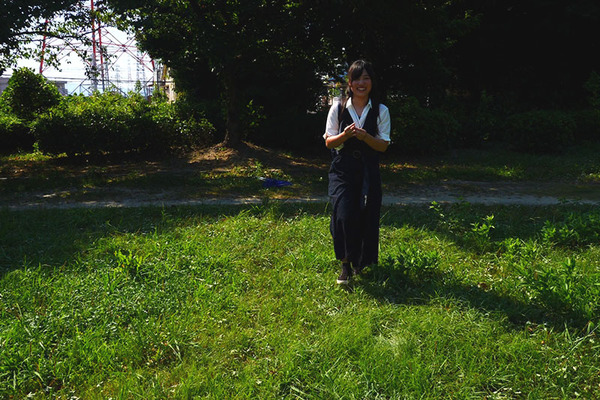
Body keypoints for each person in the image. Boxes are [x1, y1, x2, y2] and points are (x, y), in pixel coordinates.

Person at [324, 60, 391, 285]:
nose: (361, 83)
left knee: (367, 215)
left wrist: (366, 137)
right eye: (357, 79)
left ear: (372, 82)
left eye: (366, 78)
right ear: (350, 83)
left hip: (368, 169)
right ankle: (345, 264)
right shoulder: (338, 107)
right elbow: (329, 142)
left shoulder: (381, 110)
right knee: (343, 214)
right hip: (342, 169)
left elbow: (383, 146)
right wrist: (345, 135)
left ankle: (360, 262)